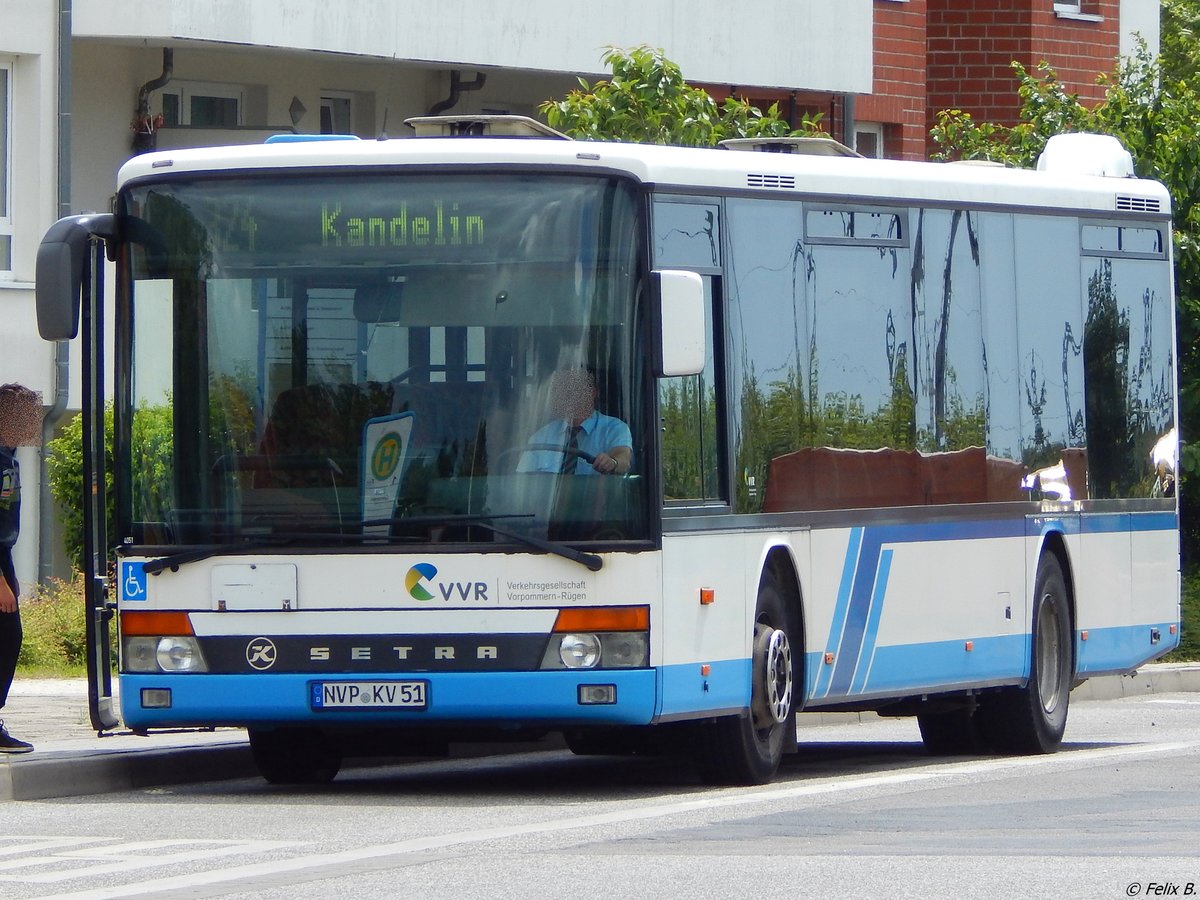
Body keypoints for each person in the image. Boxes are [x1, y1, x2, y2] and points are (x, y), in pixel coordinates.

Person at [0, 383, 43, 753]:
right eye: (29, 414)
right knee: (6, 638)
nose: (35, 422)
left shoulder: (7, 454)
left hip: (3, 557)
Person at [518, 367, 632, 476]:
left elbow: (623, 460)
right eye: (563, 389)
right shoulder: (542, 436)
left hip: (595, 496)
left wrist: (612, 462)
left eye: (576, 388)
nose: (569, 394)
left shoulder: (614, 428)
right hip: (548, 496)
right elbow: (521, 480)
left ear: (593, 392)